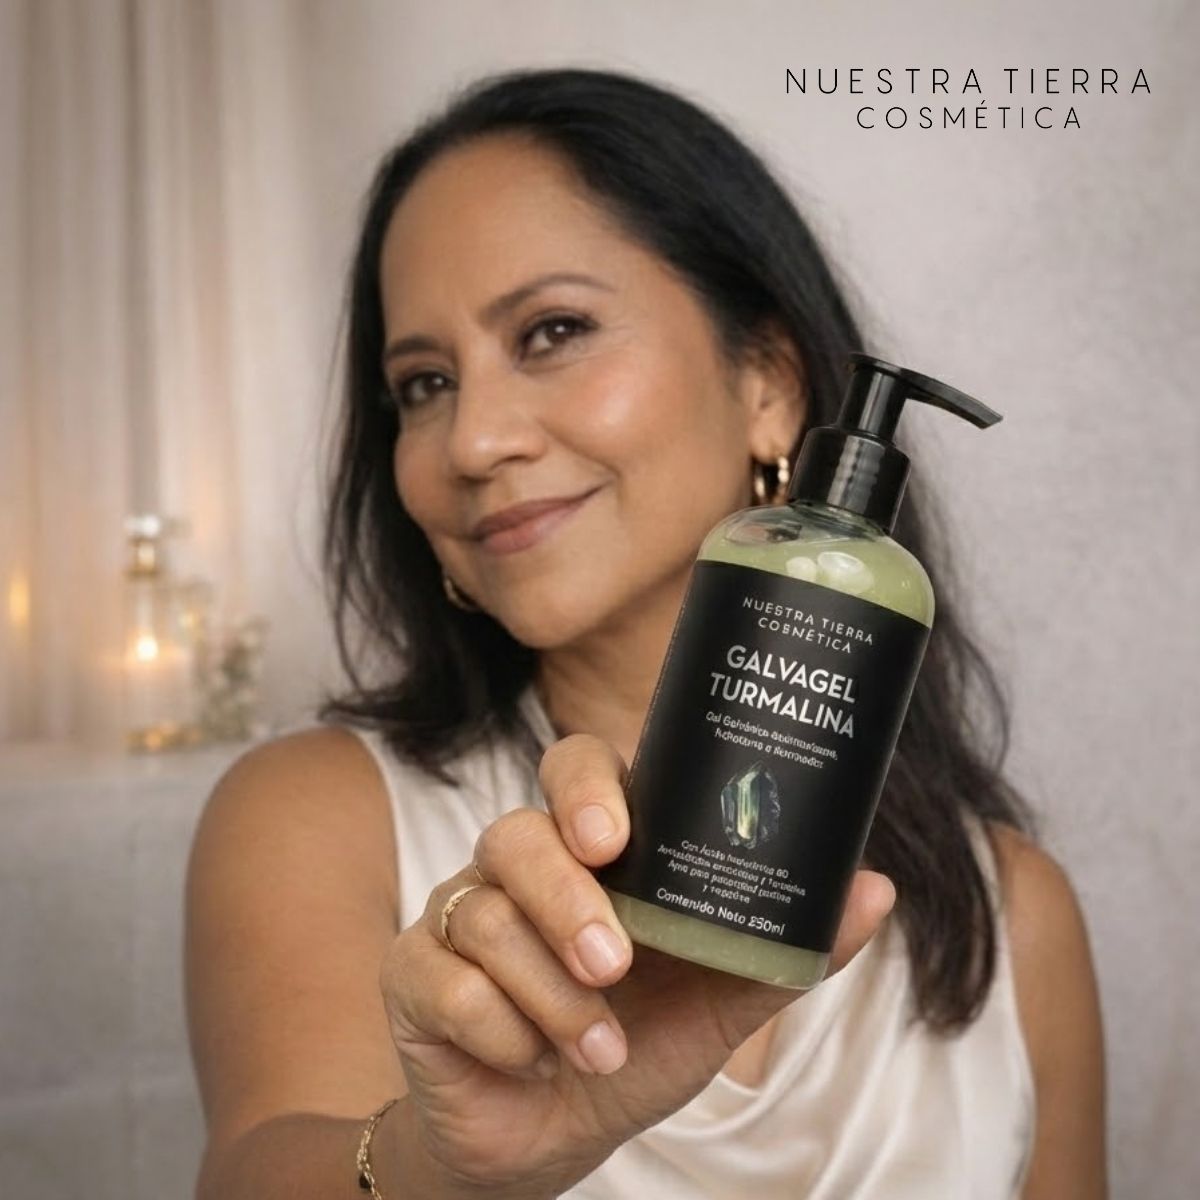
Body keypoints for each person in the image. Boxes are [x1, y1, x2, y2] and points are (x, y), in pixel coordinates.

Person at [184, 67, 1107, 1199]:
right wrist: (447, 1168)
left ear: (768, 386)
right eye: (422, 384)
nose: (472, 441)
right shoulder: (313, 816)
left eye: (553, 330)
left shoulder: (1016, 914)